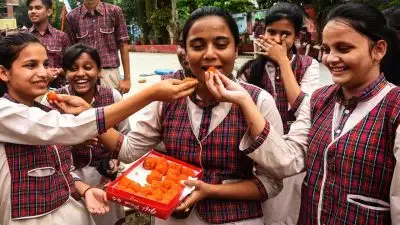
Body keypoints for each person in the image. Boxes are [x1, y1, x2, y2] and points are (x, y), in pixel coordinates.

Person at [98, 6, 284, 225]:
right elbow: (129, 151)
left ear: (236, 50)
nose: (209, 54)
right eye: (197, 46)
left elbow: (271, 182)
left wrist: (210, 190)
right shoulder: (167, 96)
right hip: (175, 218)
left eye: (221, 44)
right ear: (184, 52)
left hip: (235, 219)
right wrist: (84, 116)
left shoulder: (258, 101)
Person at [0, 32, 198, 225]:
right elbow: (68, 128)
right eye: (30, 65)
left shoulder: (46, 108)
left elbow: (61, 169)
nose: (43, 73)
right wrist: (150, 94)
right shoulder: (5, 113)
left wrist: (85, 190)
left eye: (45, 64)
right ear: (3, 72)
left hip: (69, 209)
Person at [231, 3, 400, 224]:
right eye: (327, 49)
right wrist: (245, 100)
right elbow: (289, 159)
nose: (330, 59)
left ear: (378, 49)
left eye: (344, 49)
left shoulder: (394, 108)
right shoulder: (320, 100)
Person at [237, 3, 319, 224]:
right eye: (272, 32)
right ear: (263, 32)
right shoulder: (248, 71)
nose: (278, 39)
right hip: (261, 153)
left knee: (291, 211)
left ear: (296, 36)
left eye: (286, 34)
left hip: (294, 151)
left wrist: (283, 61)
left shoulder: (309, 65)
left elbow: (304, 107)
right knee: (267, 210)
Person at [41, 43, 130, 225]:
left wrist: (115, 161)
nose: (80, 73)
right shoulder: (53, 100)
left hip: (104, 176)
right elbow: (46, 145)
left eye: (88, 67)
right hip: (69, 177)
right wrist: (73, 142)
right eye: (73, 69)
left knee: (110, 218)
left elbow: (125, 136)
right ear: (65, 73)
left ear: (99, 71)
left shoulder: (112, 97)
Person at [65, 0, 131, 94]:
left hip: (109, 73)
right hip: (83, 74)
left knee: (113, 107)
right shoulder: (72, 17)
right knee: (86, 108)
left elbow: (123, 44)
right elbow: (71, 52)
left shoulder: (114, 11)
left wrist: (127, 79)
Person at [27, 0, 70, 89]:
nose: (33, 11)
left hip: (58, 90)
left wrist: (56, 72)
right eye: (30, 8)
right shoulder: (23, 37)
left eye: (38, 8)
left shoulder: (61, 37)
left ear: (49, 12)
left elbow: (70, 65)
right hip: (31, 89)